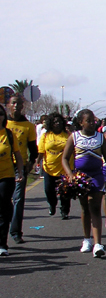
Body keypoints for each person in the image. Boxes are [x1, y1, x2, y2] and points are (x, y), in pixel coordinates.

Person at [62, 109, 106, 256]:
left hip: (97, 176)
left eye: (93, 120)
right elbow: (65, 158)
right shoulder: (74, 137)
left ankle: (98, 244)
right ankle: (87, 239)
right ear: (81, 122)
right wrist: (70, 174)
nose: (92, 123)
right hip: (81, 178)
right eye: (89, 121)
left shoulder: (100, 137)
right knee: (85, 208)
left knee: (95, 206)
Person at [6, 94, 38, 244]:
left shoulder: (28, 126)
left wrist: (30, 163)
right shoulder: (3, 124)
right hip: (3, 166)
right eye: (13, 103)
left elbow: (33, 149)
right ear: (8, 105)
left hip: (20, 167)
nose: (16, 106)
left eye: (19, 104)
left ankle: (16, 231)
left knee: (18, 200)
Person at [36, 112, 72, 220]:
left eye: (60, 122)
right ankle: (52, 204)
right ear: (51, 123)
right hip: (49, 168)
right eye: (55, 122)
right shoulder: (46, 135)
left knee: (65, 192)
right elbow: (41, 152)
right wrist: (37, 162)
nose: (58, 124)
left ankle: (65, 211)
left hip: (65, 168)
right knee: (48, 190)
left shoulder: (68, 135)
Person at [0, 104, 26, 256]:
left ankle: (2, 243)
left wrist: (20, 171)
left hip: (6, 175)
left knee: (3, 207)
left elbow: (17, 154)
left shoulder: (9, 135)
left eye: (1, 114)